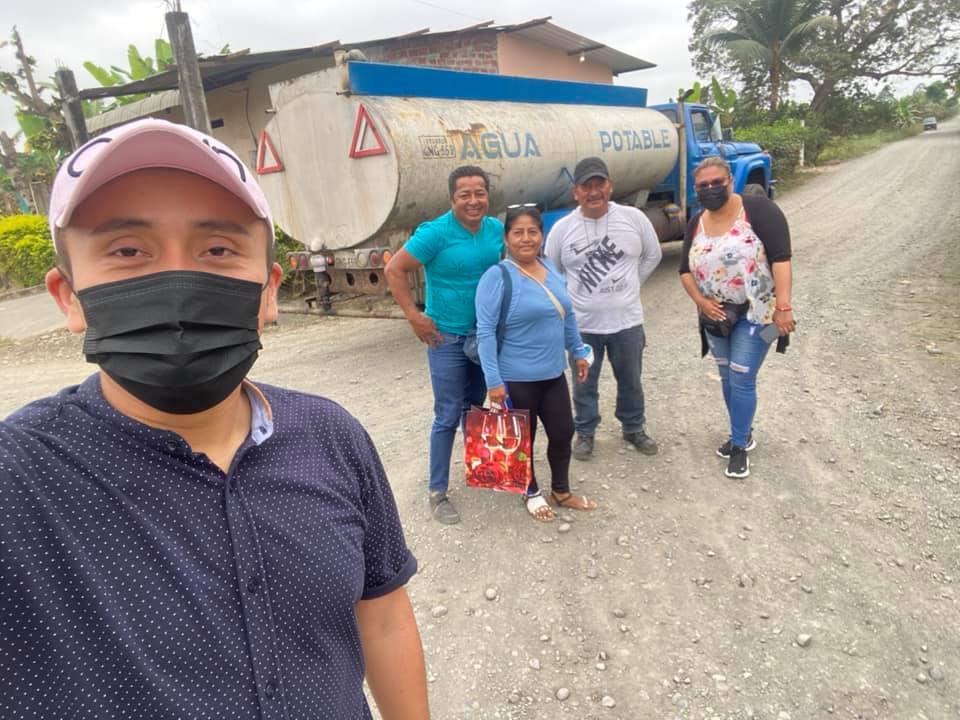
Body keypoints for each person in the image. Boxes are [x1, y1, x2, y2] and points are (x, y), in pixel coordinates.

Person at [0, 119, 429, 720]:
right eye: (127, 250)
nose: (178, 283)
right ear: (69, 296)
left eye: (218, 250)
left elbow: (381, 614)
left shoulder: (331, 435)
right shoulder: (18, 479)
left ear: (269, 292)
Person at [385, 166, 503, 525]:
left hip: (483, 335)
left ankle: (480, 469)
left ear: (488, 196)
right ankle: (437, 491)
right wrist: (414, 315)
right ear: (452, 198)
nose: (473, 201)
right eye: (465, 194)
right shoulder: (435, 233)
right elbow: (394, 269)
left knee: (475, 407)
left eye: (479, 193)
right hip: (445, 336)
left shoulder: (495, 229)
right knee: (448, 413)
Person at [474, 206, 595, 522]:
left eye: (533, 232)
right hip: (516, 379)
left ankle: (561, 490)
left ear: (542, 235)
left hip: (553, 373)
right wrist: (493, 381)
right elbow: (485, 332)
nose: (526, 239)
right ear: (507, 238)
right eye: (518, 232)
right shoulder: (496, 277)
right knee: (522, 442)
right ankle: (530, 491)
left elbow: (566, 314)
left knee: (563, 431)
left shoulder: (550, 267)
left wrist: (578, 351)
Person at [678, 156, 795, 479]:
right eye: (703, 185)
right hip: (717, 317)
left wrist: (784, 307)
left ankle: (739, 445)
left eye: (717, 182)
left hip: (761, 314)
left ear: (730, 180)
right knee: (727, 375)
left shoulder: (758, 210)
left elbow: (781, 259)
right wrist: (701, 302)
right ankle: (741, 431)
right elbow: (684, 270)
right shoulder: (697, 222)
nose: (710, 189)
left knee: (743, 376)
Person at [545, 156, 663, 461]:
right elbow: (551, 271)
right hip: (582, 327)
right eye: (587, 186)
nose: (594, 192)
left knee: (631, 380)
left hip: (627, 323)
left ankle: (633, 428)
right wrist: (570, 302)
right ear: (576, 192)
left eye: (600, 184)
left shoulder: (634, 219)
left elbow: (653, 255)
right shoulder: (562, 229)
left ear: (610, 186)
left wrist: (632, 284)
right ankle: (585, 432)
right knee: (584, 383)